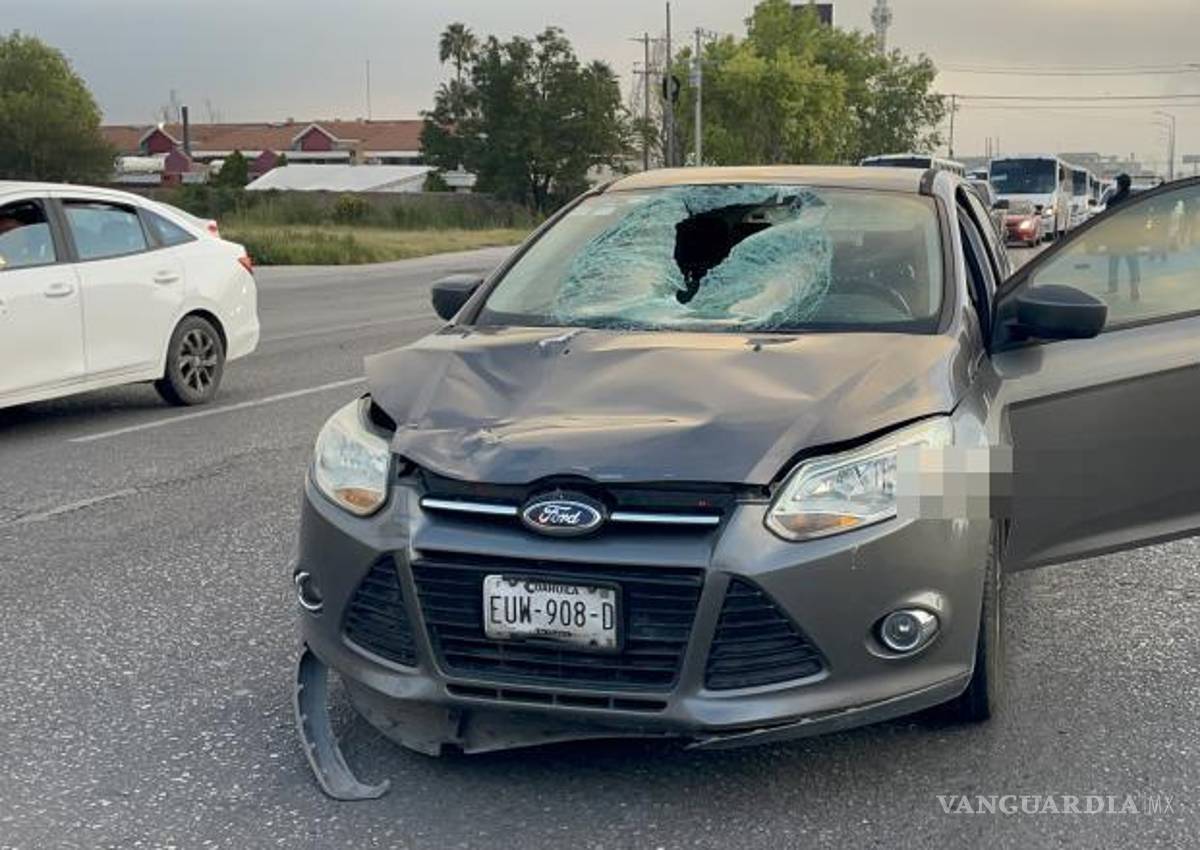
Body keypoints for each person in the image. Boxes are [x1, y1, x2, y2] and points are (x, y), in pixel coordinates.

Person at [1106, 174, 1141, 301]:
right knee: (1133, 263)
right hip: (1131, 237)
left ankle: (1113, 287)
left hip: (1115, 237)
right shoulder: (1135, 199)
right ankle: (1134, 288)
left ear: (1119, 185)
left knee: (1114, 263)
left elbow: (1106, 220)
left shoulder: (1112, 200)